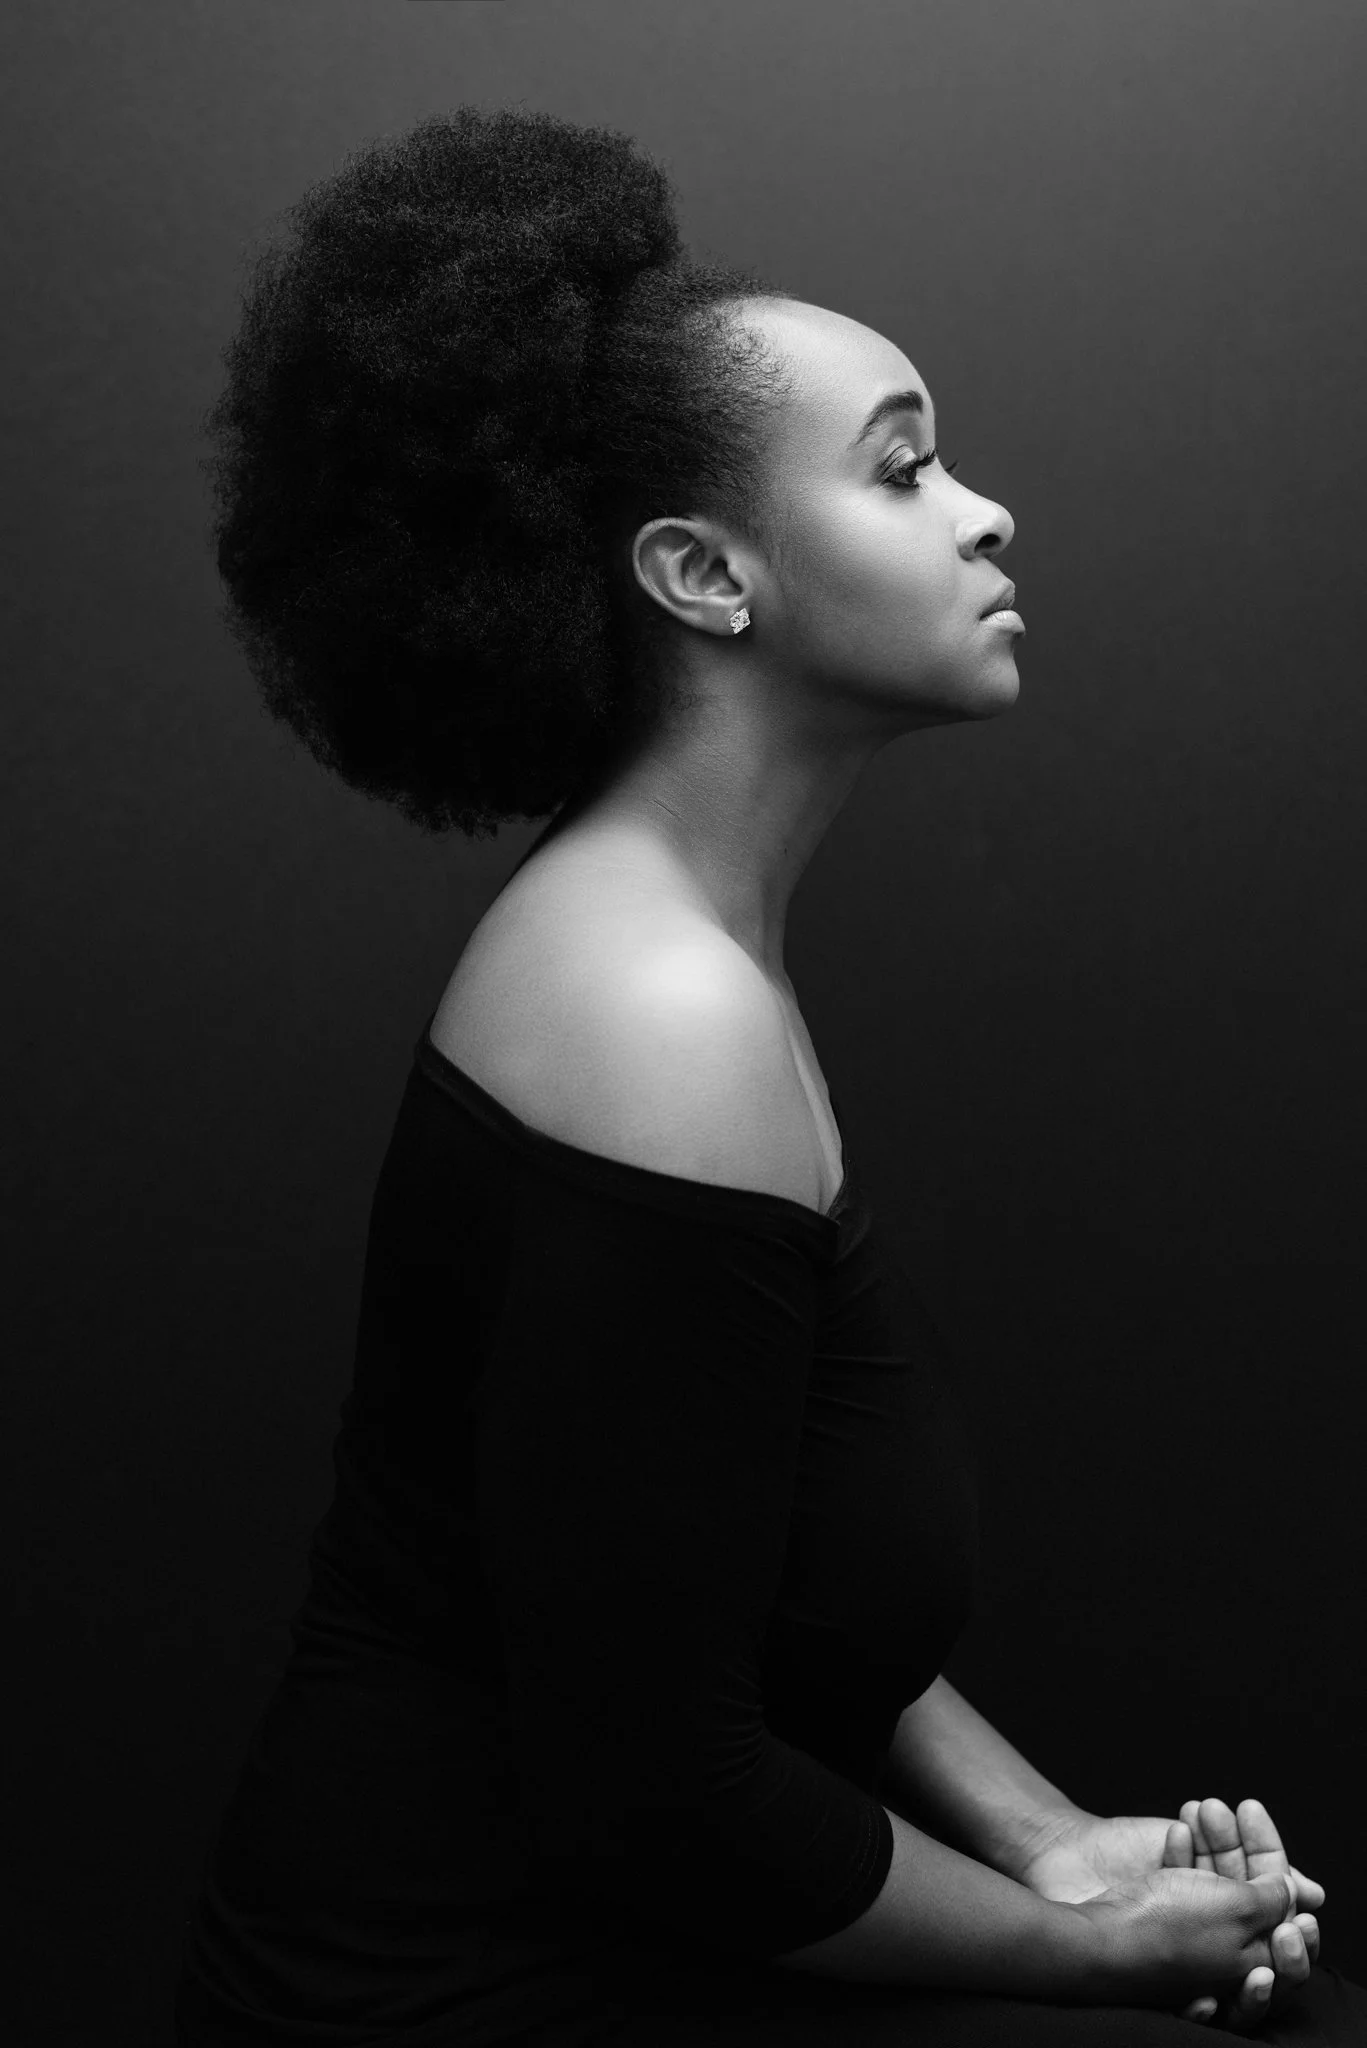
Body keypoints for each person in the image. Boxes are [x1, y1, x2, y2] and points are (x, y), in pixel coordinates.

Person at [175, 104, 1364, 2046]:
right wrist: (1073, 1946)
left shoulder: (675, 942)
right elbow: (653, 1797)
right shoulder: (657, 1014)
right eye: (901, 473)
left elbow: (728, 1550)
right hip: (450, 1988)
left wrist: (1055, 1837)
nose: (984, 510)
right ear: (701, 576)